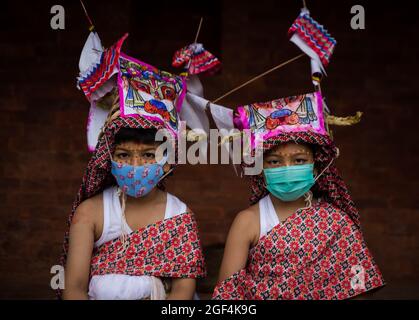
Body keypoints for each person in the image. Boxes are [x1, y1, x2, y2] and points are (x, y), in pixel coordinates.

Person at [212, 92, 385, 300]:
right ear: (260, 168)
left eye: (299, 160)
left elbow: (359, 288)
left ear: (316, 165)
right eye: (274, 162)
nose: (287, 169)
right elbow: (226, 295)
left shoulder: (338, 223)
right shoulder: (248, 221)